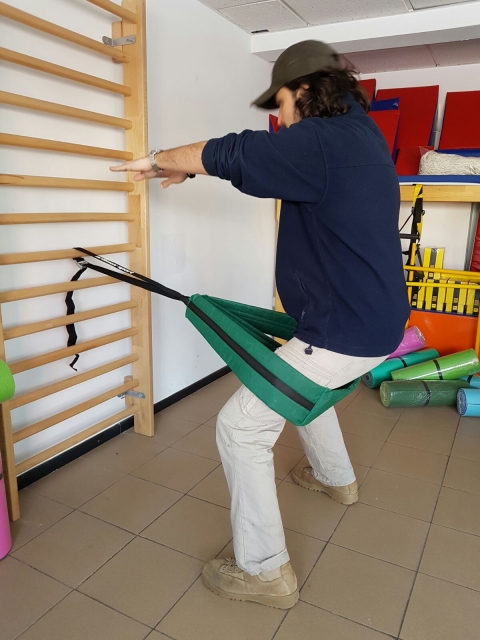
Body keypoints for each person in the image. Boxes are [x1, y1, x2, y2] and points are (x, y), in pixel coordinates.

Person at [110, 40, 410, 610]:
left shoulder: (321, 140)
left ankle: (264, 571)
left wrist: (159, 159)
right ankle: (336, 478)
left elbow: (239, 151)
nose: (280, 118)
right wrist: (192, 169)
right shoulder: (362, 136)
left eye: (282, 104)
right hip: (376, 325)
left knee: (240, 429)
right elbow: (258, 162)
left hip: (344, 332)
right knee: (300, 383)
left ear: (305, 91)